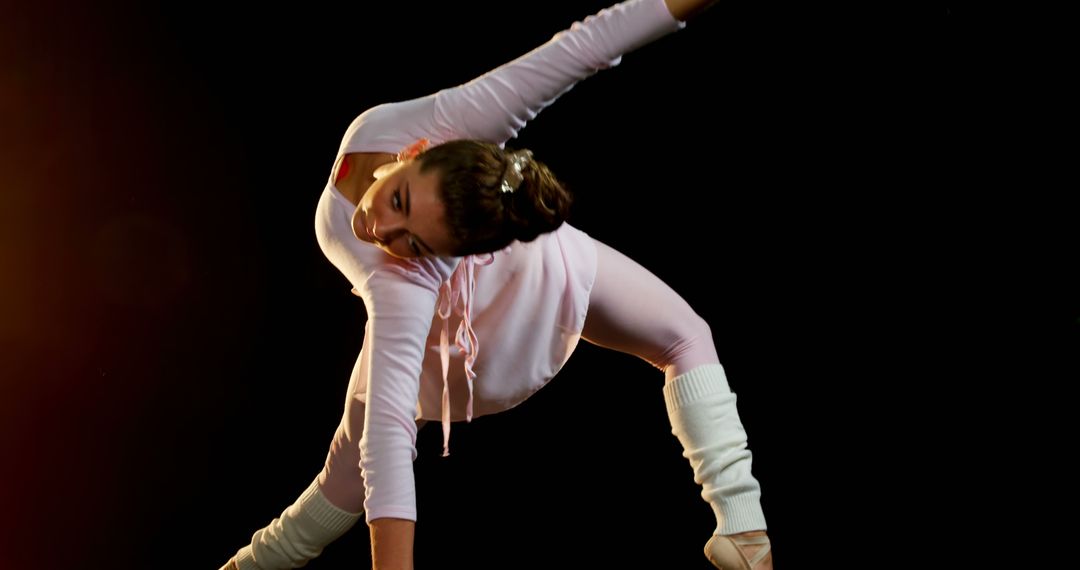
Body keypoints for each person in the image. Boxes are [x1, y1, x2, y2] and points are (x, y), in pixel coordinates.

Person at [220, 0, 771, 568]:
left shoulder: (401, 281)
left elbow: (387, 441)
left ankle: (746, 534)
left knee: (683, 337)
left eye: (416, 241)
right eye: (399, 200)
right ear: (415, 153)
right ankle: (253, 564)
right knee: (344, 479)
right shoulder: (434, 124)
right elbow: (583, 48)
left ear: (448, 256)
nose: (380, 228)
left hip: (516, 289)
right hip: (487, 289)